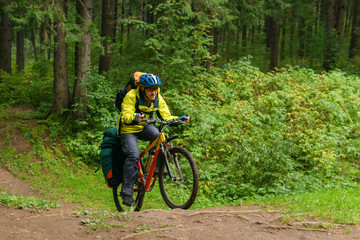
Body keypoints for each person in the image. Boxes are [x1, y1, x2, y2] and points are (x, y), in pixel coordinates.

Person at [117, 73, 190, 206]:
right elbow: (125, 115)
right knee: (133, 155)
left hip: (143, 127)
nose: (153, 92)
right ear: (143, 89)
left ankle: (156, 167)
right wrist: (135, 117)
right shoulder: (131, 96)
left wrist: (178, 119)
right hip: (128, 129)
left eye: (155, 89)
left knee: (157, 135)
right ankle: (126, 192)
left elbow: (165, 116)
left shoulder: (157, 97)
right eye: (150, 89)